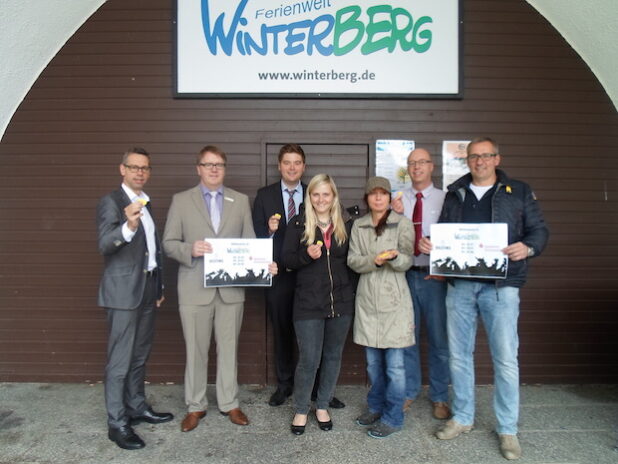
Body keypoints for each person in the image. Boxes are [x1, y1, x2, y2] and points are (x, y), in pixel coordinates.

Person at [421, 137, 549, 460]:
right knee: (459, 356)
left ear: (496, 159)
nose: (479, 161)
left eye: (486, 156)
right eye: (474, 156)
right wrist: (434, 247)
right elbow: (445, 232)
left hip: (500, 287)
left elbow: (539, 231)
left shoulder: (518, 191)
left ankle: (507, 429)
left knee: (505, 359)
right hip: (460, 286)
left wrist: (528, 248)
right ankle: (463, 417)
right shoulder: (456, 192)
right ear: (468, 161)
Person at [162, 145, 277, 432]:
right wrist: (191, 248)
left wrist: (264, 266)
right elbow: (168, 243)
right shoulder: (181, 201)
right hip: (194, 289)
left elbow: (249, 243)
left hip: (230, 290)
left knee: (229, 348)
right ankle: (195, 406)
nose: (214, 169)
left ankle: (229, 403)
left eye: (219, 165)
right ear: (198, 168)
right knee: (196, 350)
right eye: (208, 164)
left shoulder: (239, 201)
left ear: (225, 169)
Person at [252, 144, 345, 409]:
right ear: (279, 166)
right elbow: (255, 237)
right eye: (287, 162)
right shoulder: (264, 195)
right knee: (282, 331)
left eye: (297, 163)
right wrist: (269, 232)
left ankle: (319, 390)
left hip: (310, 277)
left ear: (304, 166)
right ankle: (285, 385)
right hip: (279, 275)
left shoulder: (314, 193)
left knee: (316, 336)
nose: (292, 167)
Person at [96, 147, 173, 450]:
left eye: (145, 168)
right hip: (123, 295)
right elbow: (104, 244)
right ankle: (117, 423)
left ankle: (137, 407)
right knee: (119, 361)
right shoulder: (112, 202)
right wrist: (127, 226)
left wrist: (160, 288)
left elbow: (152, 250)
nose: (140, 172)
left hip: (147, 291)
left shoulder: (145, 202)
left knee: (139, 356)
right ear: (122, 169)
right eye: (134, 167)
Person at [282, 174, 355, 435]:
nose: (321, 199)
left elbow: (353, 263)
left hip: (340, 302)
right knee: (309, 359)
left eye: (326, 194)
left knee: (332, 356)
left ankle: (322, 404)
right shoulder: (298, 223)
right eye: (316, 194)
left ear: (333, 196)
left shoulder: (346, 223)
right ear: (309, 197)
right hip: (308, 303)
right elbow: (286, 259)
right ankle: (301, 409)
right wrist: (305, 255)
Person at [348, 176, 414, 439]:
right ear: (367, 198)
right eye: (373, 194)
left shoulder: (402, 224)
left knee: (395, 367)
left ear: (389, 198)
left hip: (395, 301)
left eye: (383, 194)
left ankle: (393, 417)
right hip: (367, 302)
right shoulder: (359, 226)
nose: (378, 198)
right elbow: (353, 260)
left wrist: (395, 258)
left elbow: (408, 259)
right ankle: (375, 407)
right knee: (373, 365)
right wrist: (373, 261)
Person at [391, 148, 450, 420]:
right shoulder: (397, 198)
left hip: (433, 277)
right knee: (407, 338)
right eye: (412, 163)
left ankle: (439, 396)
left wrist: (439, 255)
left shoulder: (446, 198)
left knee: (438, 339)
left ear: (431, 166)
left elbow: (456, 237)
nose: (416, 167)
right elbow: (388, 235)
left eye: (422, 162)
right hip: (404, 275)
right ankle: (409, 391)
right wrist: (395, 216)